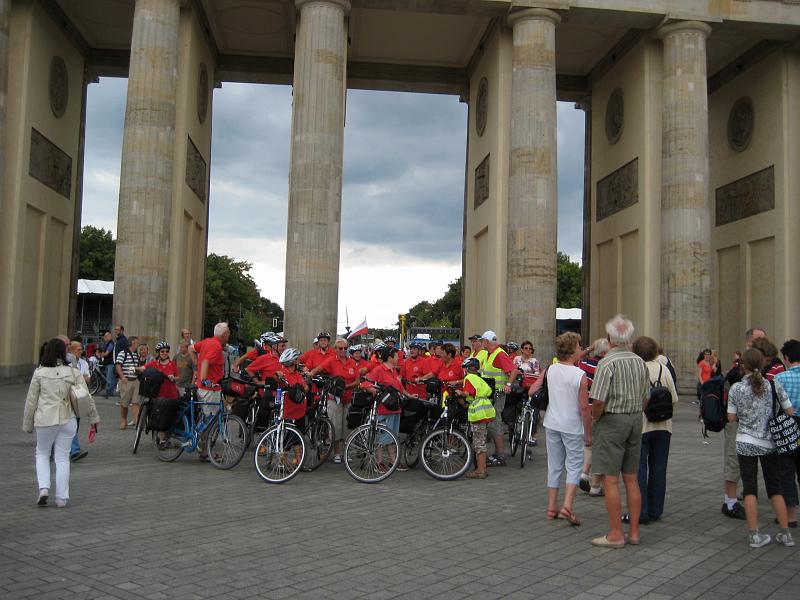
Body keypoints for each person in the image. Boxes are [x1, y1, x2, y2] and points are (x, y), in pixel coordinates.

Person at [589, 314, 649, 548]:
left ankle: (615, 534)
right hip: (635, 419)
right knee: (632, 479)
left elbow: (598, 401)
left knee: (610, 480)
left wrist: (596, 419)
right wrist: (635, 413)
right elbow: (646, 397)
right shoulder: (639, 362)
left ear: (609, 338)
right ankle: (634, 532)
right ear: (629, 338)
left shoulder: (607, 363)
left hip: (612, 421)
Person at [727, 348, 795, 548]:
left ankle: (754, 534)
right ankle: (785, 533)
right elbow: (789, 410)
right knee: (775, 488)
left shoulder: (736, 389)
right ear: (763, 364)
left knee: (750, 489)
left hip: (745, 441)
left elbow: (731, 417)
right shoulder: (774, 385)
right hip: (769, 442)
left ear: (743, 366)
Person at [22, 338, 100, 507]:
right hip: (68, 418)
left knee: (42, 453)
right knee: (62, 458)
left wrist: (28, 424)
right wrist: (94, 419)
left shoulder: (39, 373)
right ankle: (61, 498)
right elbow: (87, 397)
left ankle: (44, 488)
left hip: (45, 419)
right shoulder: (72, 372)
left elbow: (31, 401)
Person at [529, 332, 590, 525]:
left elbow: (532, 391)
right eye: (579, 346)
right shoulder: (580, 375)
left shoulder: (550, 369)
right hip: (572, 425)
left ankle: (551, 506)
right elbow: (583, 407)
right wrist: (589, 433)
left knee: (554, 465)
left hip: (552, 422)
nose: (581, 349)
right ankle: (567, 507)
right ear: (573, 350)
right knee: (573, 466)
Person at [631, 336, 679, 525]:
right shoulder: (663, 369)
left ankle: (641, 511)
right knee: (659, 469)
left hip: (642, 426)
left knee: (639, 469)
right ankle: (656, 510)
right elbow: (674, 399)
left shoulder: (636, 370)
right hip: (663, 426)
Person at [721, 327, 765, 520]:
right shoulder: (738, 373)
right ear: (749, 342)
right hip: (737, 425)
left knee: (748, 464)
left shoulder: (762, 372)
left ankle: (746, 496)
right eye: (758, 340)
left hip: (752, 427)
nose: (762, 343)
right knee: (733, 461)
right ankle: (730, 503)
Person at [313, 338, 359, 464]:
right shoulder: (332, 360)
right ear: (336, 349)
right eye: (340, 348)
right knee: (335, 426)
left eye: (345, 348)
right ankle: (336, 453)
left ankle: (346, 452)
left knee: (347, 426)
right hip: (334, 398)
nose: (343, 350)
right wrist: (309, 374)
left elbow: (357, 380)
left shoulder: (351, 362)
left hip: (348, 398)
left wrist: (346, 387)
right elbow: (319, 368)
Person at [366, 346, 412, 470]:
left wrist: (409, 395)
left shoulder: (393, 371)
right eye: (397, 356)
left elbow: (399, 387)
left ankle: (393, 462)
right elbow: (366, 384)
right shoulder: (378, 370)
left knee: (392, 436)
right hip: (383, 409)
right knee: (381, 437)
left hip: (395, 408)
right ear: (390, 358)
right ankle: (379, 463)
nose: (399, 358)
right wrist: (375, 391)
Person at [191, 322, 230, 461]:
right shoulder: (216, 346)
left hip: (207, 388)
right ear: (224, 334)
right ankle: (205, 451)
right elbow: (206, 361)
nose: (229, 335)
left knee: (209, 418)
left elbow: (191, 348)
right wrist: (203, 378)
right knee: (212, 420)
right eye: (228, 333)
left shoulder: (207, 341)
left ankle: (203, 447)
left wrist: (196, 364)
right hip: (209, 388)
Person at [480, 330, 518, 466]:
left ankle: (500, 455)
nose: (481, 343)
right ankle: (498, 453)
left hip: (498, 394)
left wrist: (508, 384)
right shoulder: (489, 354)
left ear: (487, 341)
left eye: (482, 340)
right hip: (491, 393)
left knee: (495, 422)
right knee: (493, 422)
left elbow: (513, 370)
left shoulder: (499, 354)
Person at [577, 338, 609, 495]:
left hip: (586, 408)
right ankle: (596, 484)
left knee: (589, 442)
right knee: (601, 445)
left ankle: (584, 473)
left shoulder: (585, 364)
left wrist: (589, 348)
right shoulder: (606, 366)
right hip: (601, 408)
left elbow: (575, 359)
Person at [456, 357, 496, 479]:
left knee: (479, 443)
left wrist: (459, 392)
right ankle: (483, 468)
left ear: (466, 369)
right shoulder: (478, 379)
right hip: (486, 410)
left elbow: (467, 393)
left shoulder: (469, 378)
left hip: (479, 415)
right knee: (481, 440)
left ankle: (480, 471)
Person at [776, 339, 800, 528]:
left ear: (785, 358)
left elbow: (776, 405)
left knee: (786, 471)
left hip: (787, 426)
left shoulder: (780, 378)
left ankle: (791, 516)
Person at [144, 341, 179, 445]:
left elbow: (178, 376)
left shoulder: (172, 364)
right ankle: (162, 439)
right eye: (162, 351)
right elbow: (144, 369)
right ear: (158, 352)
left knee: (171, 416)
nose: (165, 353)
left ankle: (166, 437)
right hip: (159, 394)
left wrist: (174, 378)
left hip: (171, 394)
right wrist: (134, 369)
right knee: (161, 416)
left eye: (167, 351)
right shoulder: (154, 364)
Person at [68, 341, 90, 463]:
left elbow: (87, 378)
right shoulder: (67, 363)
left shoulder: (84, 363)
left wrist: (80, 379)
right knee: (71, 423)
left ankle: (71, 447)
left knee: (76, 421)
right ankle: (74, 450)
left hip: (80, 395)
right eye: (78, 349)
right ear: (71, 350)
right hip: (68, 395)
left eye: (81, 349)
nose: (80, 351)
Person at [115, 336, 141, 430]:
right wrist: (122, 377)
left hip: (135, 380)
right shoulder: (123, 353)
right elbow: (118, 365)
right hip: (126, 381)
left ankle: (136, 421)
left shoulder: (136, 354)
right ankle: (123, 420)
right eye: (137, 343)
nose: (138, 345)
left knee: (136, 402)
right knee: (124, 404)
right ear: (132, 343)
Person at [99, 331, 116, 398]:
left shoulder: (111, 344)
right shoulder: (106, 343)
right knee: (109, 378)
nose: (104, 337)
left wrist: (100, 355)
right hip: (107, 363)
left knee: (109, 378)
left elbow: (106, 353)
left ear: (110, 336)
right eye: (104, 336)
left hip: (110, 363)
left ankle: (108, 392)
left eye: (106, 336)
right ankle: (110, 392)